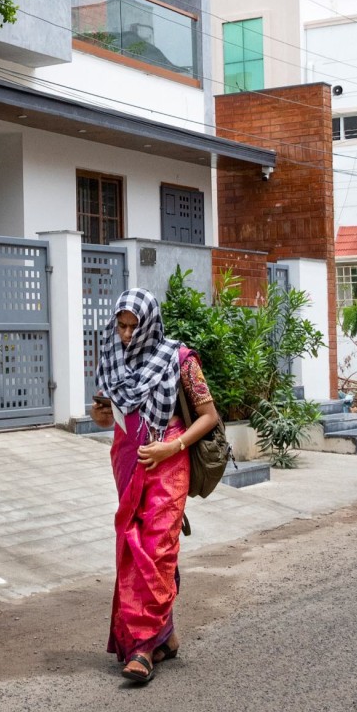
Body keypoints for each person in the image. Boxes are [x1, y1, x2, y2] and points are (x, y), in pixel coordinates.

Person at [89, 288, 219, 685]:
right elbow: (106, 420)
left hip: (168, 459)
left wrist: (170, 447)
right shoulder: (113, 359)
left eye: (134, 326)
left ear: (150, 324)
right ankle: (165, 637)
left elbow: (209, 416)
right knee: (133, 546)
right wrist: (99, 413)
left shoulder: (179, 359)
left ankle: (143, 647)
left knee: (158, 547)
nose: (127, 334)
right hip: (128, 459)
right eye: (121, 325)